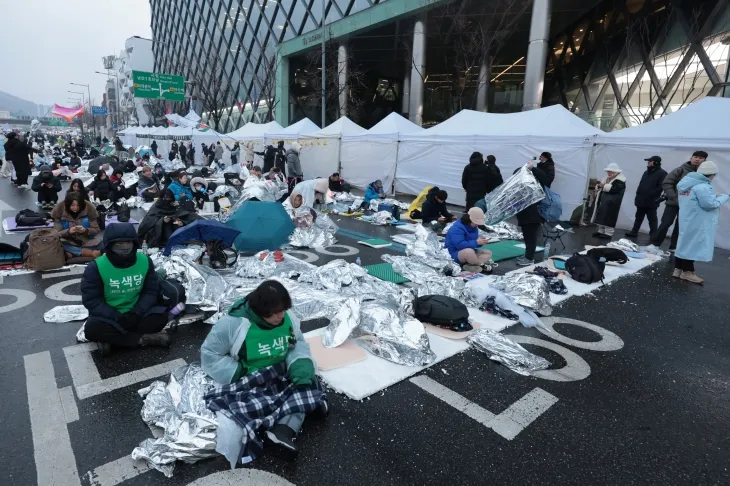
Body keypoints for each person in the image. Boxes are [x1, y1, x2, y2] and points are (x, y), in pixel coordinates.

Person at [201, 280, 326, 458]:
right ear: (260, 311)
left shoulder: (287, 317)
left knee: (305, 380)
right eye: (274, 313)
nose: (280, 316)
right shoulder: (234, 323)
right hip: (252, 377)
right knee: (263, 402)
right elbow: (210, 354)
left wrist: (299, 364)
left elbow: (296, 343)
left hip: (281, 370)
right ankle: (303, 410)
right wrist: (238, 371)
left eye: (282, 310)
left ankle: (282, 431)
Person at [81, 223, 173, 355]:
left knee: (161, 317)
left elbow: (151, 291)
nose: (124, 248)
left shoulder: (145, 261)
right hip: (110, 316)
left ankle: (115, 341)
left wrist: (136, 312)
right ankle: (143, 339)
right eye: (118, 245)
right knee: (92, 329)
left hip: (137, 312)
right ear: (109, 245)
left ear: (134, 244)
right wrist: (117, 316)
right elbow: (92, 301)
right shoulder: (95, 267)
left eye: (127, 243)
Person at [673, 161, 729, 284]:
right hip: (698, 220)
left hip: (687, 218)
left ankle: (678, 269)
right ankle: (688, 272)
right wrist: (724, 197)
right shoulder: (702, 186)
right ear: (710, 175)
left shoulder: (686, 184)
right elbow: (710, 204)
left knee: (684, 242)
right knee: (692, 245)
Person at [650, 150, 707, 251]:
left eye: (701, 158)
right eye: (695, 157)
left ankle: (674, 247)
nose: (697, 159)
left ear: (705, 160)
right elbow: (667, 182)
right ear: (691, 158)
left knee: (681, 227)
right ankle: (655, 244)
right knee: (666, 223)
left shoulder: (703, 174)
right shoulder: (680, 170)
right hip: (673, 203)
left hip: (688, 205)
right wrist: (673, 196)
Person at [515, 163, 551, 266]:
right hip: (526, 217)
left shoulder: (535, 185)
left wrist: (532, 168)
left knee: (530, 238)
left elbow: (545, 178)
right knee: (527, 237)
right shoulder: (523, 188)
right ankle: (527, 255)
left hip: (532, 217)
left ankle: (529, 258)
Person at [51, 191, 103, 259]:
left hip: (86, 241)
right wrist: (68, 231)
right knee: (55, 242)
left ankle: (72, 254)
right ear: (68, 205)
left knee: (105, 243)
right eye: (73, 205)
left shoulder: (89, 209)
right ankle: (88, 253)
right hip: (68, 242)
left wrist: (85, 230)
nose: (75, 208)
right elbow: (57, 233)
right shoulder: (60, 212)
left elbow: (96, 230)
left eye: (78, 205)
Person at [626, 156, 667, 238]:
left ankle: (653, 234)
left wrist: (652, 194)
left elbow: (661, 186)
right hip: (641, 198)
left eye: (650, 161)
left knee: (652, 219)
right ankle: (634, 231)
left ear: (656, 162)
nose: (648, 162)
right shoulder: (646, 172)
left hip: (651, 200)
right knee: (638, 217)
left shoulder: (662, 173)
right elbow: (641, 183)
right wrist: (638, 193)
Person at [444, 208, 492, 273]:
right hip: (454, 253)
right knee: (469, 252)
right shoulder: (457, 228)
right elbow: (459, 245)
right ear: (470, 219)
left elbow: (473, 242)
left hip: (468, 251)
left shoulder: (474, 227)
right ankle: (479, 264)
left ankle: (471, 265)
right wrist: (476, 242)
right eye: (476, 222)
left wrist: (481, 242)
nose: (477, 224)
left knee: (487, 253)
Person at [593, 163, 627, 240]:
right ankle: (601, 231)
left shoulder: (620, 180)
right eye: (608, 171)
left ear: (614, 172)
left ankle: (608, 233)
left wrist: (603, 186)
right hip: (604, 200)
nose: (608, 173)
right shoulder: (607, 178)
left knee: (609, 217)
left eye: (610, 171)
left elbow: (614, 189)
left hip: (612, 202)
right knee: (601, 215)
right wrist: (599, 186)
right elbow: (602, 186)